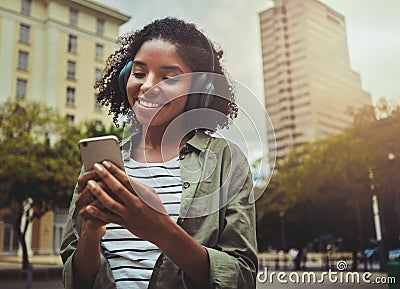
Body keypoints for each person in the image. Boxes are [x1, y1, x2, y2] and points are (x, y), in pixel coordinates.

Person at [60, 17, 257, 289]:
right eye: (139, 73)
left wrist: (161, 231)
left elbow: (242, 277)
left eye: (168, 77)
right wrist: (90, 232)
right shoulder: (102, 164)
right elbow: (75, 279)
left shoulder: (227, 161)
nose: (147, 86)